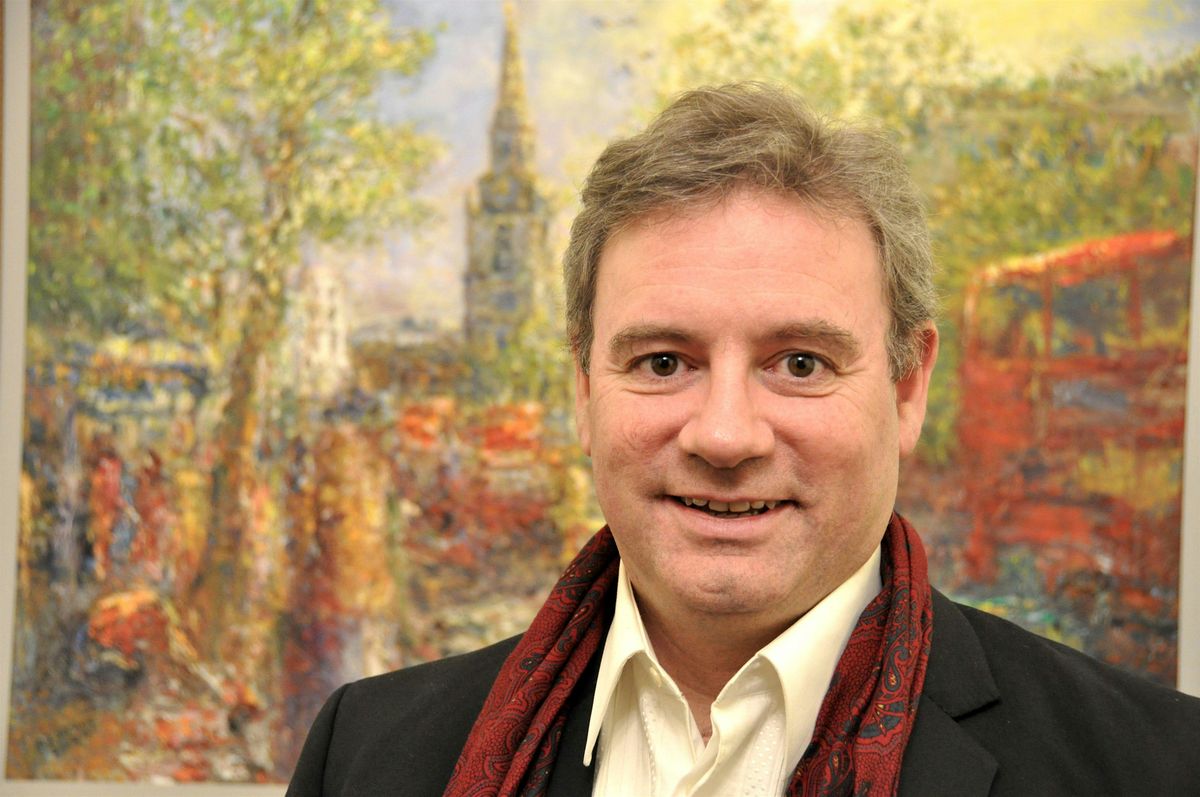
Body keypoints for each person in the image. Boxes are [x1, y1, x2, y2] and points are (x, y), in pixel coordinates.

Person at [286, 83, 1200, 796]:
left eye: (800, 363)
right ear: (583, 390)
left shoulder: (1157, 767)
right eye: (662, 361)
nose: (724, 435)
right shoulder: (368, 756)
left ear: (907, 387)